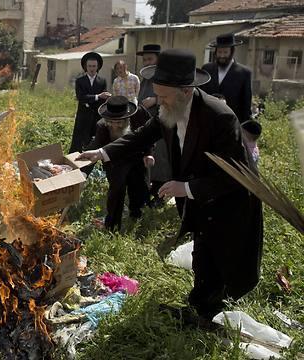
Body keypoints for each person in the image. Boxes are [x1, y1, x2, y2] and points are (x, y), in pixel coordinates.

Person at [77, 49, 264, 329]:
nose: (158, 102)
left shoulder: (219, 117)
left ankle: (217, 320)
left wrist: (186, 187)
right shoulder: (168, 109)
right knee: (202, 254)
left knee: (225, 260)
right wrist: (102, 152)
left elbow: (235, 175)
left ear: (186, 92)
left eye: (164, 97)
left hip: (229, 202)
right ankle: (199, 306)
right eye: (158, 94)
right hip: (200, 202)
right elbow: (141, 136)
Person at [87, 96, 152, 231]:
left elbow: (149, 135)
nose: (115, 125)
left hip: (136, 157)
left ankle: (136, 218)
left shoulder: (139, 115)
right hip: (115, 162)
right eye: (112, 122)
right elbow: (94, 148)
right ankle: (112, 226)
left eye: (119, 122)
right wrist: (82, 171)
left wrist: (148, 153)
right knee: (116, 191)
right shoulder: (102, 126)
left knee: (138, 188)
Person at [137, 44, 171, 207]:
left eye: (150, 59)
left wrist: (155, 100)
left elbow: (173, 97)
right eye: (144, 59)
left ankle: (161, 194)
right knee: (150, 159)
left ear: (158, 60)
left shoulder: (164, 77)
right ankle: (151, 190)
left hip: (163, 125)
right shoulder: (145, 79)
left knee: (162, 160)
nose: (146, 62)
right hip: (148, 125)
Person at [200, 33, 253, 123]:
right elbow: (200, 96)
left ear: (232, 52)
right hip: (208, 121)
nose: (222, 56)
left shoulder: (244, 73)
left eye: (225, 52)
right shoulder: (207, 69)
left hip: (231, 123)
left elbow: (246, 105)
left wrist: (244, 127)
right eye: (219, 52)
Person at [70, 52, 111, 153]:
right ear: (85, 67)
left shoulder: (102, 81)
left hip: (96, 115)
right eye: (89, 66)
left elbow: (103, 97)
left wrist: (102, 97)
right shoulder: (80, 81)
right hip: (83, 114)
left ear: (98, 67)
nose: (92, 68)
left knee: (94, 140)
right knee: (79, 140)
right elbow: (81, 97)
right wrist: (98, 96)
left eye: (94, 66)